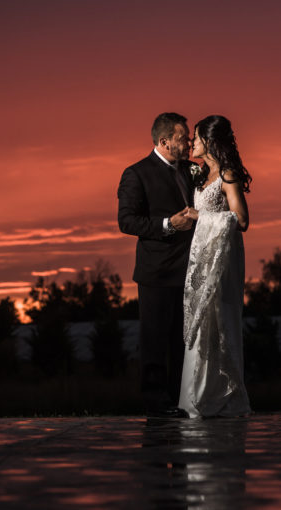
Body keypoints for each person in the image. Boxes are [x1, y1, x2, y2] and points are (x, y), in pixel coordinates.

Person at [117, 112, 195, 416]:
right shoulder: (136, 173)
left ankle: (179, 402)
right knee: (155, 340)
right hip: (157, 272)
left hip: (190, 270)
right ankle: (155, 405)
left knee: (182, 342)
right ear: (163, 141)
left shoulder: (190, 170)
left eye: (189, 137)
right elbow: (126, 221)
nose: (188, 142)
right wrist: (168, 224)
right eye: (182, 137)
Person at [177, 115, 252, 418]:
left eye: (195, 137)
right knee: (200, 323)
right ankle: (196, 397)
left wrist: (200, 217)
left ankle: (221, 397)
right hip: (201, 260)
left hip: (222, 261)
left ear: (208, 141)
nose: (191, 143)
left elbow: (242, 219)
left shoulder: (227, 175)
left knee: (218, 320)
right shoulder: (200, 175)